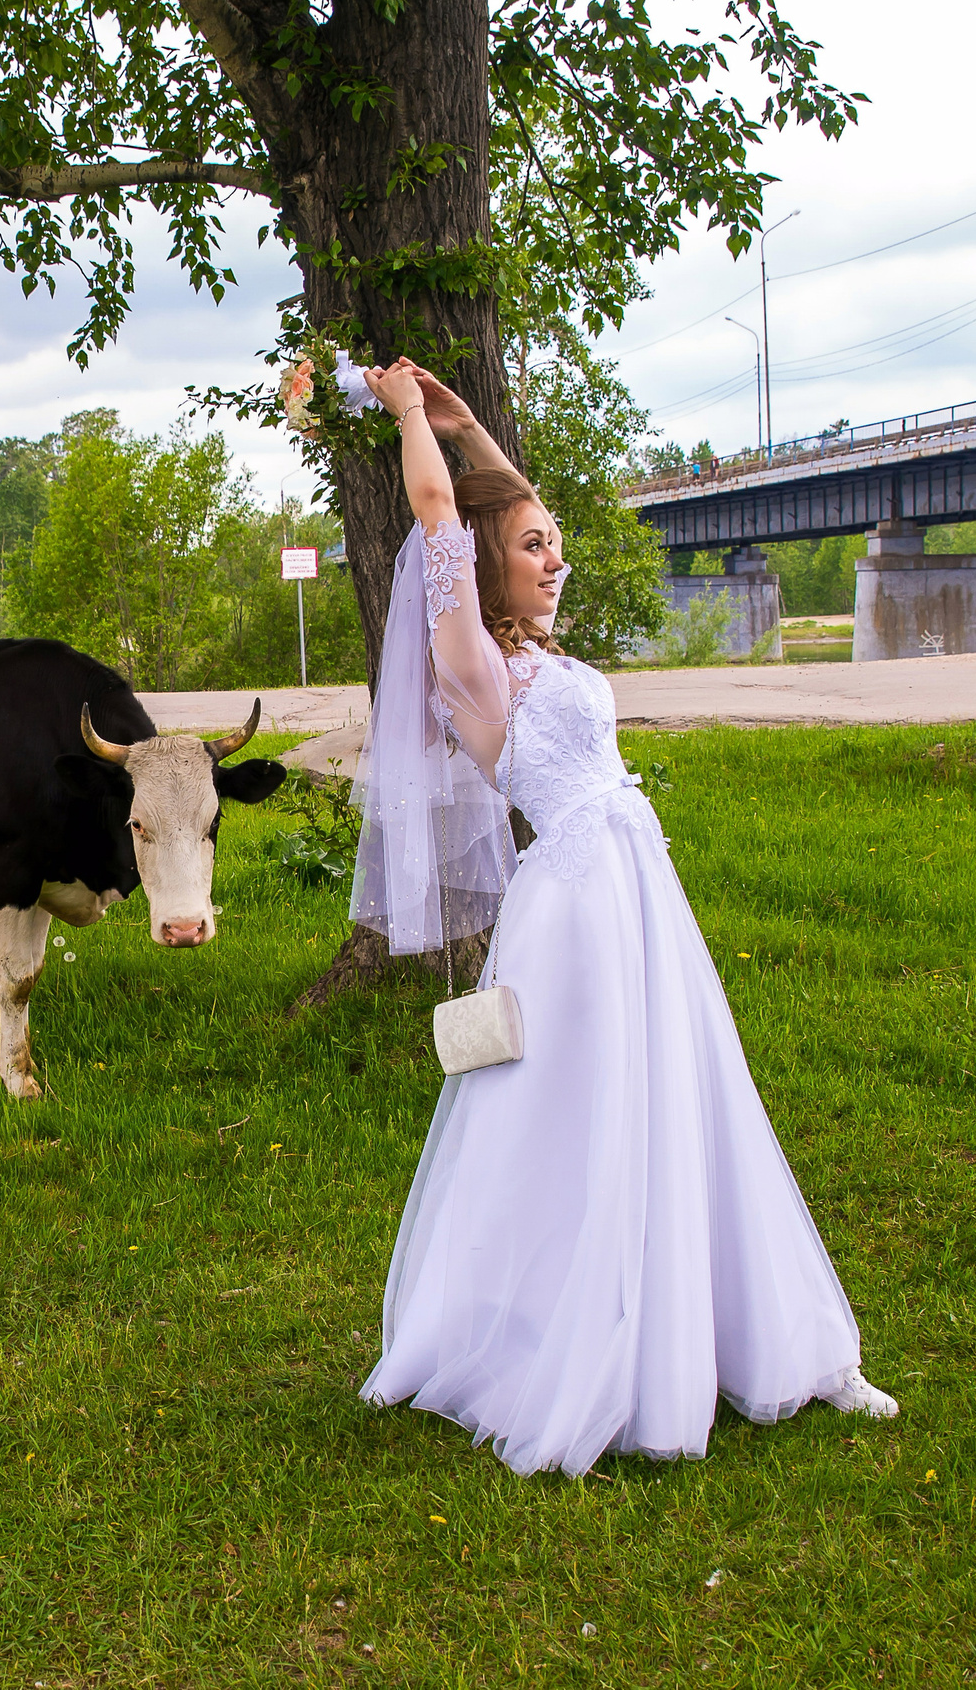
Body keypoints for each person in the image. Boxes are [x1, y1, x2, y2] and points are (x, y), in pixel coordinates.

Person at [350, 358, 896, 1478]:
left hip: (639, 894)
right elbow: (443, 514)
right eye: (533, 550)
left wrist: (467, 426)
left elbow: (494, 505)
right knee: (591, 1115)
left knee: (685, 1097)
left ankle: (750, 1335)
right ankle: (587, 1347)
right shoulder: (471, 671)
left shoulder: (535, 646)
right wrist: (411, 423)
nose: (554, 560)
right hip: (581, 907)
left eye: (557, 545)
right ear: (477, 576)